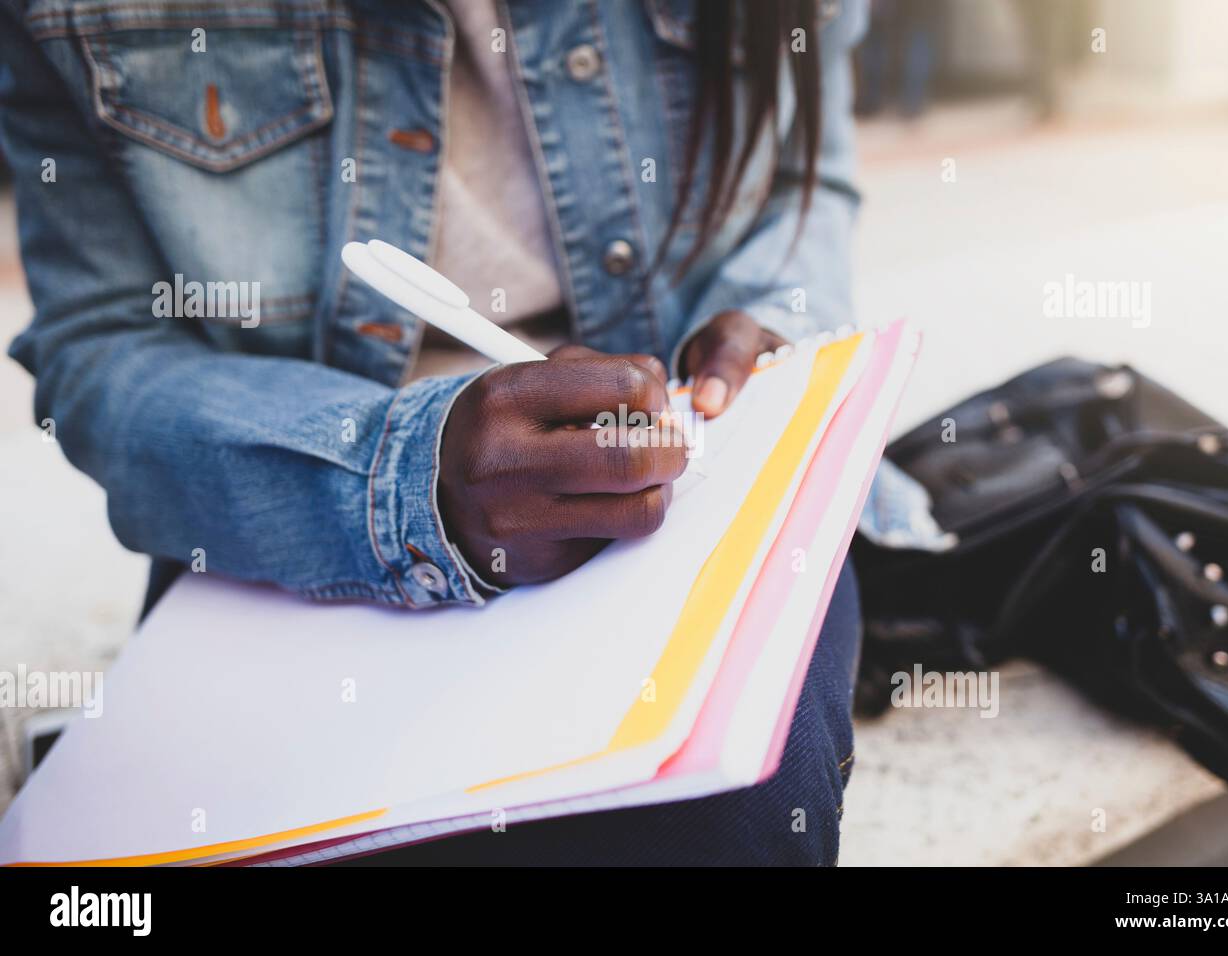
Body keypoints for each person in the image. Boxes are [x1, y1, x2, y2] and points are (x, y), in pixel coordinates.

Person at [1, 0, 870, 864]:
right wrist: (404, 476)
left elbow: (805, 181)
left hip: (680, 479)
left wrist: (764, 319)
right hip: (290, 479)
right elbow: (105, 347)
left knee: (722, 798)